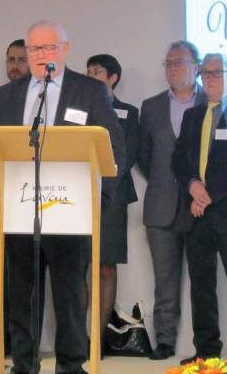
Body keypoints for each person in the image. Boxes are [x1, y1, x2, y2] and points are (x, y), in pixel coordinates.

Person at [0, 21, 125, 374]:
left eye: (50, 47)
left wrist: (98, 202)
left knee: (70, 297)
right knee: (22, 298)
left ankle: (71, 366)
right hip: (18, 211)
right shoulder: (6, 95)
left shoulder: (90, 90)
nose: (42, 54)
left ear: (65, 49)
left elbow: (114, 147)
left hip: (71, 212)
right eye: (35, 49)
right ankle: (24, 366)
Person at [138, 40, 206, 360]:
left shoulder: (213, 102)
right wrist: (165, 182)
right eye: (168, 63)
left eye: (179, 62)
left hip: (204, 205)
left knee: (204, 279)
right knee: (164, 279)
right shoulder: (151, 106)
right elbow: (144, 155)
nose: (172, 68)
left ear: (197, 67)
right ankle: (164, 340)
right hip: (161, 204)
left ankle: (206, 345)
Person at [172, 53, 227, 364]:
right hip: (196, 215)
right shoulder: (192, 116)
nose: (210, 78)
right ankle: (207, 353)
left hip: (221, 209)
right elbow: (178, 160)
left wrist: (207, 196)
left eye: (217, 72)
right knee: (202, 287)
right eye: (205, 73)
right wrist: (193, 186)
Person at [86, 54, 139, 351]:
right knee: (78, 264)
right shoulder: (77, 110)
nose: (91, 76)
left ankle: (98, 339)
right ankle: (77, 338)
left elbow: (128, 153)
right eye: (89, 71)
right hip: (78, 192)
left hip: (114, 195)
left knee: (106, 265)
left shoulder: (128, 112)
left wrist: (104, 180)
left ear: (113, 77)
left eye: (97, 71)